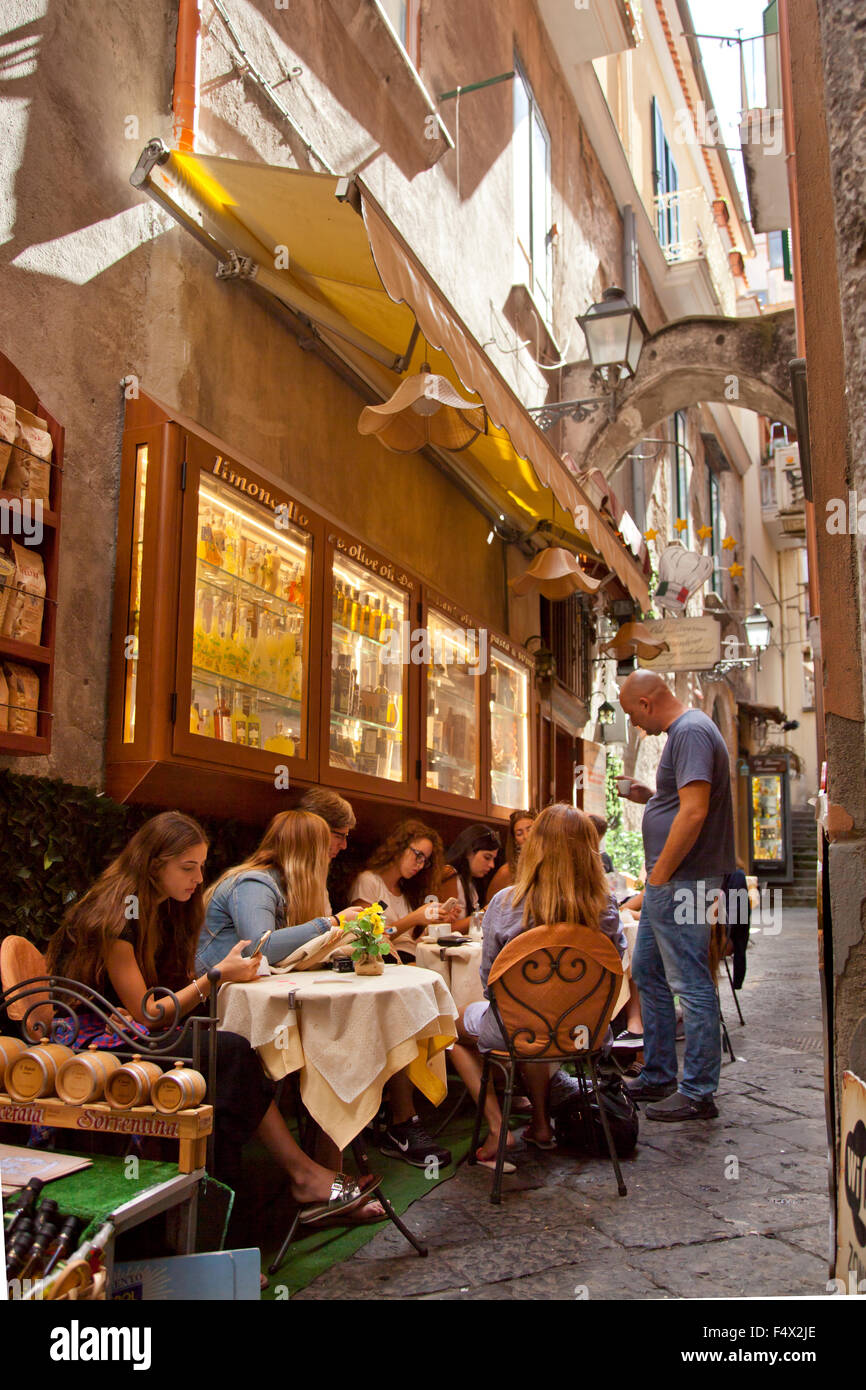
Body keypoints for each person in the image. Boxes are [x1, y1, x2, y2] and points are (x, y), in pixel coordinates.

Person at [45, 812, 382, 1229]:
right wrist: (215, 976)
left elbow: (160, 998)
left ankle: (252, 1214)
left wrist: (203, 981)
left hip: (128, 1031)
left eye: (201, 866)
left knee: (231, 1058)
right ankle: (289, 1186)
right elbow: (150, 1014)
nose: (198, 878)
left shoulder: (166, 910)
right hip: (91, 1042)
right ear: (154, 865)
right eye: (188, 868)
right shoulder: (118, 916)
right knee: (230, 1054)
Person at [451, 805, 626, 1163]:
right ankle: (541, 1125)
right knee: (535, 1018)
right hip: (583, 1031)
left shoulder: (504, 902)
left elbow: (491, 985)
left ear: (535, 848)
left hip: (522, 1030)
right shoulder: (604, 904)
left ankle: (500, 1128)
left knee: (452, 1030)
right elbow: (615, 964)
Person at [617, 670, 736, 1122]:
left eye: (631, 713)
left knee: (690, 982)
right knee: (647, 972)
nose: (633, 724)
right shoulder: (689, 732)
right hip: (671, 881)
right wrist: (653, 796)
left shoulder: (689, 732)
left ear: (646, 703)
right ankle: (660, 1073)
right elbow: (683, 801)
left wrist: (660, 876)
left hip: (680, 880)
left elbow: (695, 810)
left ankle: (699, 1091)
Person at [350, 820, 458, 1169]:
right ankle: (403, 1121)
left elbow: (410, 933)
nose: (420, 864)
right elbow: (367, 935)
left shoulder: (404, 891)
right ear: (399, 846)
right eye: (417, 855)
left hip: (411, 968)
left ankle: (406, 1115)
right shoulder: (369, 881)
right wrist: (415, 917)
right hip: (382, 972)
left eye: (426, 860)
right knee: (411, 1017)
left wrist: (436, 917)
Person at [197, 809, 356, 973]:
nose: (341, 847)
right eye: (324, 847)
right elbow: (261, 948)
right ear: (309, 853)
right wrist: (333, 922)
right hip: (211, 994)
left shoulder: (285, 886)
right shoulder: (254, 883)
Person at [294, 787, 355, 914]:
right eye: (339, 836)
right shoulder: (268, 878)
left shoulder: (317, 875)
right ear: (315, 830)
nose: (344, 846)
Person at [439, 824, 501, 932]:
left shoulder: (471, 881)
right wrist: (486, 911)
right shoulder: (449, 873)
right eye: (487, 857)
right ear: (468, 852)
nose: (492, 865)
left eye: (493, 859)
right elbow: (444, 930)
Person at [485, 810, 537, 902]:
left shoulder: (550, 864)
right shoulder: (506, 872)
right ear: (515, 841)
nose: (526, 836)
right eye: (519, 833)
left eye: (530, 829)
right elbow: (490, 908)